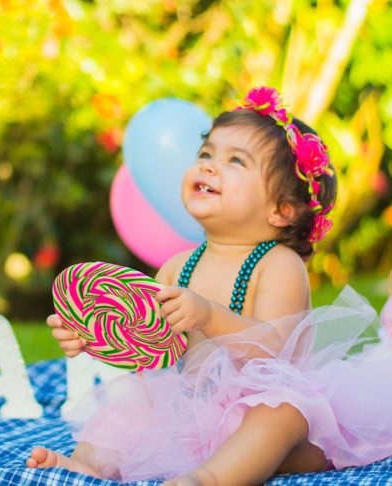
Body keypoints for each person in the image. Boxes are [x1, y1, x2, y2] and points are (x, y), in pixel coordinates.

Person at [26, 87, 392, 485]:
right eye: (205, 154)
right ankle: (90, 465)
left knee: (280, 411)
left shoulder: (277, 266)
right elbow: (150, 350)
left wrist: (208, 315)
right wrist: (91, 336)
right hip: (191, 417)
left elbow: (274, 350)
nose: (209, 167)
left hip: (272, 426)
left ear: (281, 210)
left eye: (235, 160)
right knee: (127, 395)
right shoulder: (177, 267)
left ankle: (211, 478)